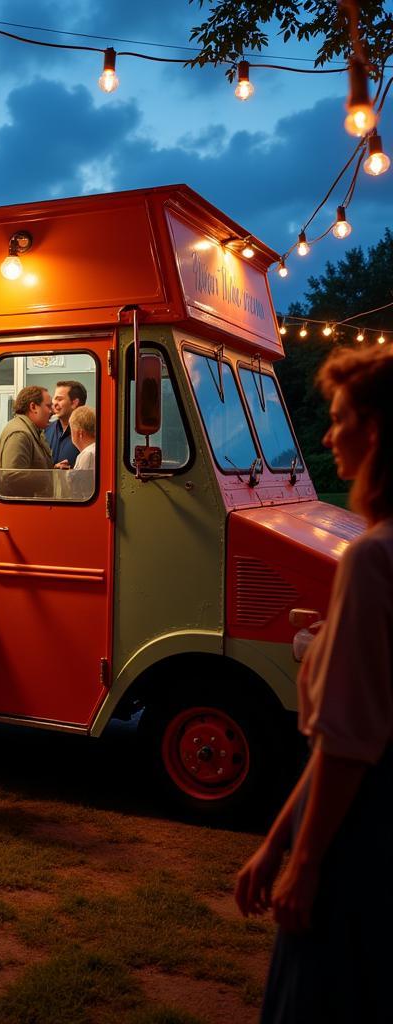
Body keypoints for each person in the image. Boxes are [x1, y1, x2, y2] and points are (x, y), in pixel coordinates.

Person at [234, 345, 393, 1022]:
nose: (326, 437)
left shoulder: (371, 558)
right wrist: (274, 840)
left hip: (359, 833)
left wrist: (302, 860)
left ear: (377, 432)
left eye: (337, 419)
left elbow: (348, 740)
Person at [0, 386, 55, 496]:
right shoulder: (20, 434)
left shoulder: (33, 431)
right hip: (23, 510)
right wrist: (50, 476)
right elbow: (12, 477)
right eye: (48, 406)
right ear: (33, 407)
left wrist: (53, 469)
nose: (53, 411)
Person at [45, 380, 87, 468]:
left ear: (74, 403)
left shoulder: (90, 433)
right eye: (54, 399)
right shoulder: (46, 430)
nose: (54, 403)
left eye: (59, 399)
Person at [67, 405, 97, 501]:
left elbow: (79, 489)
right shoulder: (97, 450)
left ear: (80, 433)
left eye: (71, 431)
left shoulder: (87, 455)